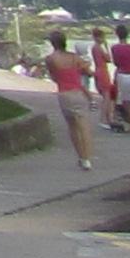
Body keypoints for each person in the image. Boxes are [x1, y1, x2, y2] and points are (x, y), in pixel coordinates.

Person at [44, 31, 96, 168]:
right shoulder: (74, 57)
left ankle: (81, 157)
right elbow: (89, 72)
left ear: (52, 43)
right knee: (84, 127)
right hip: (78, 93)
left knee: (72, 126)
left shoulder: (50, 59)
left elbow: (53, 76)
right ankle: (87, 158)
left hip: (64, 94)